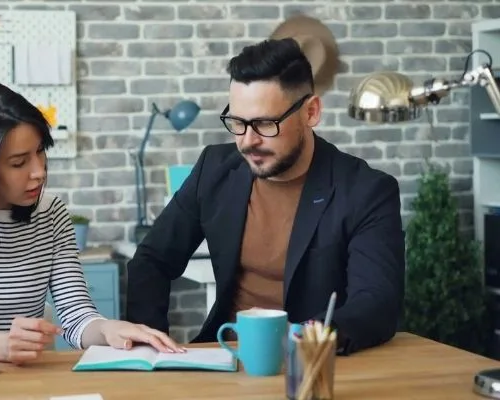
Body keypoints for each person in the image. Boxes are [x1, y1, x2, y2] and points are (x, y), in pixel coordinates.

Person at [124, 38, 405, 356]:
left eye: (264, 124)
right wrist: (151, 346)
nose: (247, 141)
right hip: (224, 354)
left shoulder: (366, 191)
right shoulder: (214, 169)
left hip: (310, 361)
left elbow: (376, 302)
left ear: (311, 112)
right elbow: (152, 260)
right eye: (238, 122)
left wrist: (309, 338)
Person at [0, 81, 183, 365]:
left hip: (27, 382)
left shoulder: (51, 213)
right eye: (19, 163)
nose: (39, 172)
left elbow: (77, 316)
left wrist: (108, 328)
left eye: (40, 151)